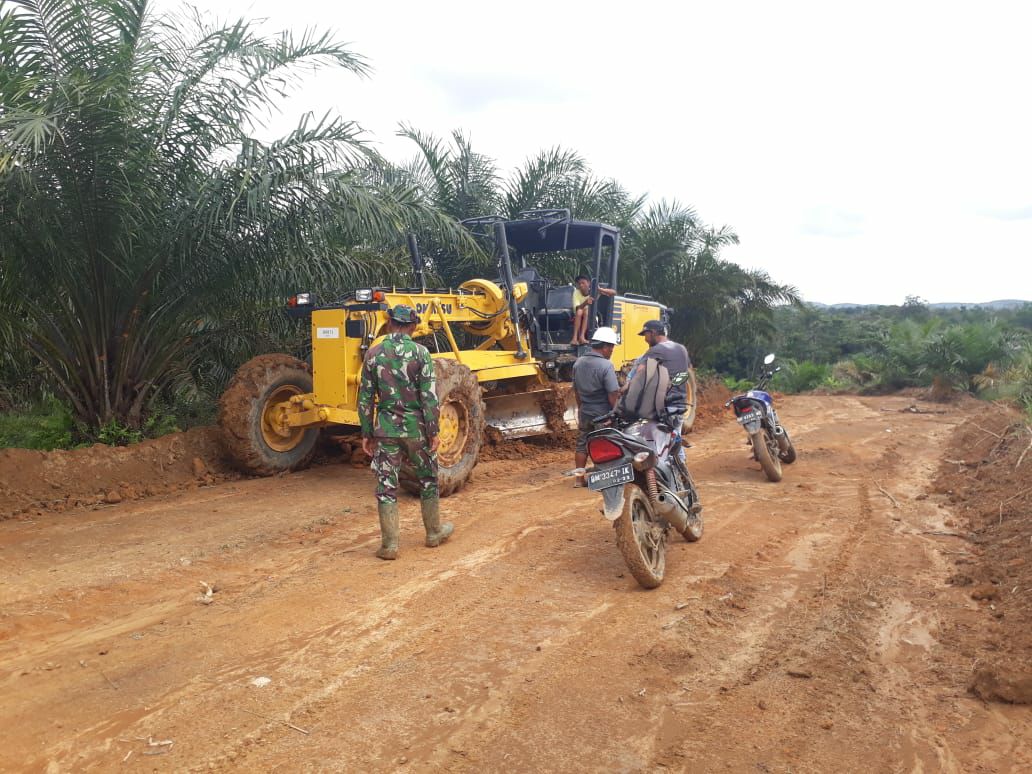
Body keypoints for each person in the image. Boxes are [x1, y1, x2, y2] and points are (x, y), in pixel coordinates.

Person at [358, 304, 453, 560]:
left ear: (389, 323)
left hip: (386, 429)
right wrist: (434, 431)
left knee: (386, 486)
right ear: (412, 327)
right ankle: (434, 532)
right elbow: (429, 398)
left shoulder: (374, 354)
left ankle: (389, 545)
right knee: (427, 479)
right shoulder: (421, 353)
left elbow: (365, 398)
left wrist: (367, 433)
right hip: (417, 429)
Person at [571, 326, 621, 486]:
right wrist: (616, 412)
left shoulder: (578, 363)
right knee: (605, 442)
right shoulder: (606, 366)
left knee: (582, 444)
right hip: (603, 413)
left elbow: (576, 391)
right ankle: (606, 478)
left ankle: (579, 479)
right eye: (611, 347)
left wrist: (581, 409)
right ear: (605, 346)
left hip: (585, 410)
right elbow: (613, 393)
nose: (612, 350)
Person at [571, 274, 616, 346]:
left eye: (583, 283)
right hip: (578, 315)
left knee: (586, 310)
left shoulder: (594, 291)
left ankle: (582, 337)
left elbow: (613, 292)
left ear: (588, 283)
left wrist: (600, 289)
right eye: (579, 284)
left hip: (591, 316)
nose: (581, 285)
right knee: (580, 311)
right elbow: (577, 308)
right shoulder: (576, 292)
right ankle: (575, 338)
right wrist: (585, 303)